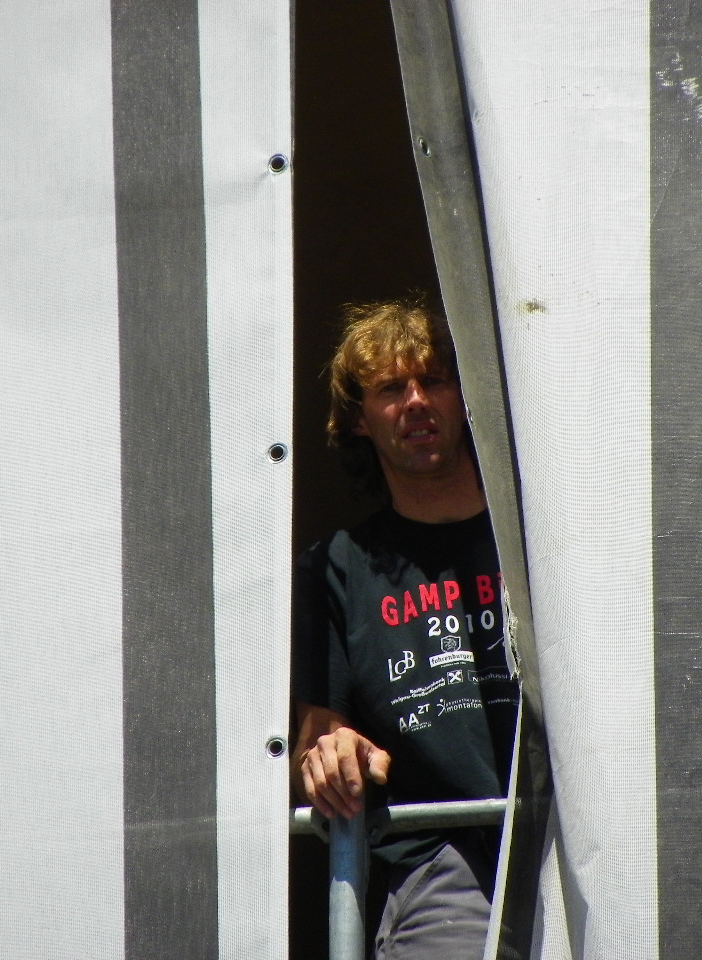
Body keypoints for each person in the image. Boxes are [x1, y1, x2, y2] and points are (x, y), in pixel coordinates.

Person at [292, 299, 519, 959]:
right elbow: (315, 739)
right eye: (392, 388)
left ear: (465, 399)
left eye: (434, 380)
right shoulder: (336, 567)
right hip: (439, 861)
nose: (417, 401)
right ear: (358, 419)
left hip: (577, 832)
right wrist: (332, 758)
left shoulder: (538, 534)